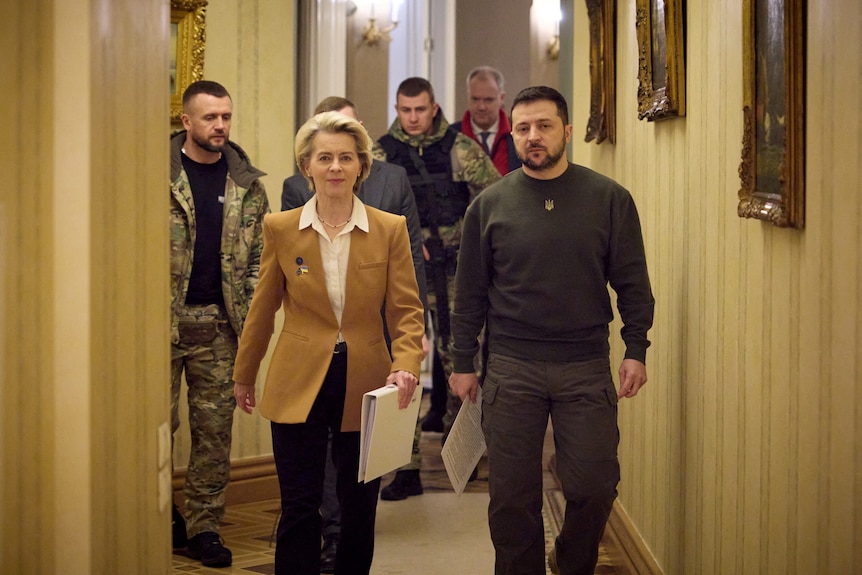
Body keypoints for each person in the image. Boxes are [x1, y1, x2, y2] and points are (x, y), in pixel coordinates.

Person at [448, 86, 655, 575]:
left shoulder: (609, 199)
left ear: (565, 130)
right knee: (512, 499)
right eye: (522, 128)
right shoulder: (489, 205)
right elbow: (470, 293)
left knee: (594, 487)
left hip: (584, 365)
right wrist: (462, 363)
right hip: (511, 367)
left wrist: (636, 348)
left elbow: (633, 283)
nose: (533, 137)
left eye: (543, 126)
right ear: (512, 134)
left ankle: (569, 561)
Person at [232, 111, 425, 575]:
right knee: (299, 504)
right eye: (325, 158)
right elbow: (262, 309)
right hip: (298, 376)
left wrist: (407, 365)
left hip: (366, 381)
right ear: (307, 166)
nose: (335, 167)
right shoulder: (280, 228)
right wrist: (244, 373)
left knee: (359, 506)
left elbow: (406, 312)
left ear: (361, 165)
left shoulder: (388, 228)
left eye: (345, 157)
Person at [375, 76, 501, 500]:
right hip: (402, 272)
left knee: (459, 359)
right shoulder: (380, 154)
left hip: (455, 272)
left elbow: (495, 199)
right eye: (404, 110)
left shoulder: (460, 148)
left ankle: (458, 451)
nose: (412, 118)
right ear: (397, 109)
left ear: (434, 108)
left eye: (420, 110)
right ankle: (405, 467)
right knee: (402, 366)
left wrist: (461, 241)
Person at [169, 80, 270, 568]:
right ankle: (156, 514)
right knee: (152, 429)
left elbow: (261, 261)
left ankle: (204, 527)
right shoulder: (155, 173)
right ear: (186, 121)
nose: (220, 126)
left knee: (214, 435)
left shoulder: (247, 184)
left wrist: (249, 321)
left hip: (219, 328)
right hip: (158, 327)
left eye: (226, 116)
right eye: (210, 118)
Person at [451, 65, 522, 176]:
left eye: (488, 100)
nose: (481, 107)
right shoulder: (450, 136)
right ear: (468, 96)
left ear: (501, 98)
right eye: (475, 99)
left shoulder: (520, 133)